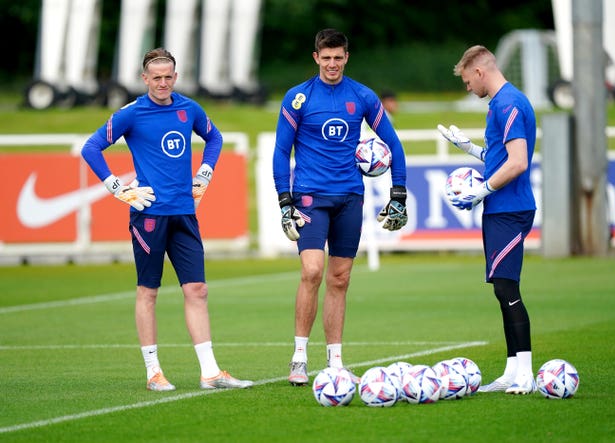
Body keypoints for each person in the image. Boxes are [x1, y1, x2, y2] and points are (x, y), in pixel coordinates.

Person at [81, 48, 253, 392]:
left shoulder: (189, 109)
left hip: (185, 214)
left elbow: (215, 138)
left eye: (167, 76)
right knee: (149, 291)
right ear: (145, 79)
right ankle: (153, 372)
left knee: (197, 289)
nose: (162, 83)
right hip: (148, 216)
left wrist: (204, 173)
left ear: (175, 77)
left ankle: (210, 373)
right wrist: (117, 187)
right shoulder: (131, 114)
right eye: (155, 77)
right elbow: (91, 147)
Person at [272, 29, 409, 386]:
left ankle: (335, 360)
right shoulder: (298, 98)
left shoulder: (362, 96)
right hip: (309, 197)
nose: (332, 64)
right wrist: (284, 201)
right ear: (315, 57)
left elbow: (393, 143)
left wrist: (399, 194)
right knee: (312, 271)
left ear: (347, 57)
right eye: (326, 57)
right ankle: (299, 357)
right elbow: (280, 152)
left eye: (338, 57)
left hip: (350, 197)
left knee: (340, 278)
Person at [438, 45, 537, 394]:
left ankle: (525, 372)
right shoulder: (501, 103)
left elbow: (518, 162)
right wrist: (469, 149)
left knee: (508, 287)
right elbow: (500, 157)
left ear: (479, 72)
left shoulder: (508, 103)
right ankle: (512, 370)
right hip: (502, 207)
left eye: (467, 81)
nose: (468, 88)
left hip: (509, 207)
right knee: (501, 287)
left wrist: (480, 192)